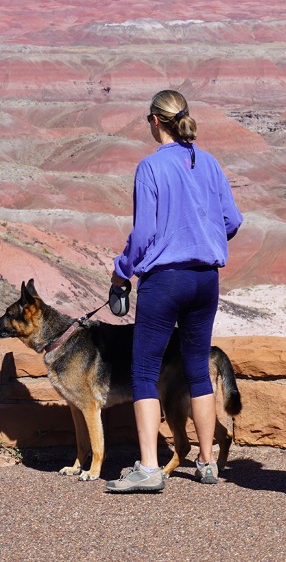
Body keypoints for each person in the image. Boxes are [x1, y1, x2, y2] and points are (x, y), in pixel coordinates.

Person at [105, 90, 243, 493]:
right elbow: (232, 220)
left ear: (154, 121)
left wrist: (120, 274)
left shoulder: (150, 167)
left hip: (165, 280)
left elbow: (144, 233)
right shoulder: (209, 162)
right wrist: (206, 234)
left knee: (145, 372)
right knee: (198, 367)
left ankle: (148, 468)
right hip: (205, 279)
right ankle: (206, 461)